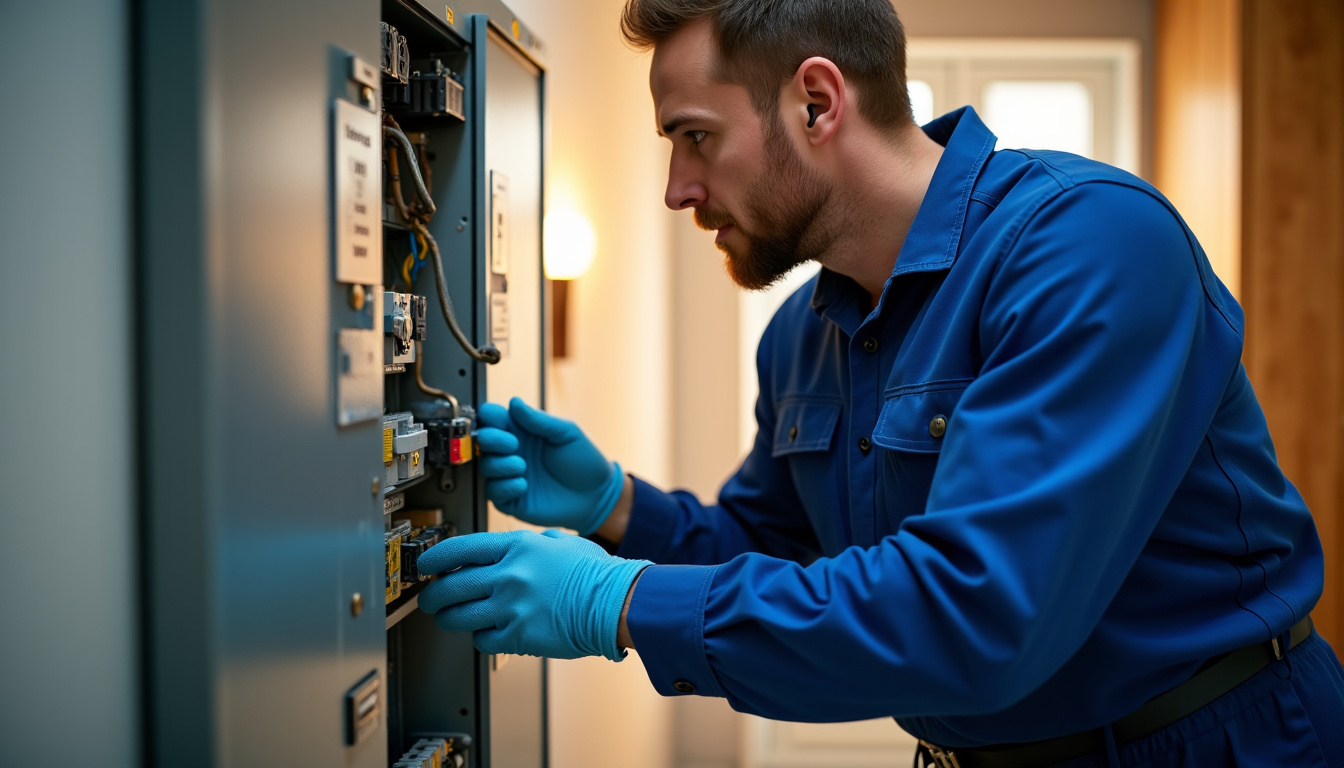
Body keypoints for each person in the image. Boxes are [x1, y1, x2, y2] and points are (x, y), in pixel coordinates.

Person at [414, 0, 1344, 764]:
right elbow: (777, 549)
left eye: (696, 137)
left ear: (817, 103)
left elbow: (977, 615)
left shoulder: (1087, 247)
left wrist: (616, 603)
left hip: (1206, 743)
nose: (677, 188)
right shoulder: (804, 334)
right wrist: (617, 508)